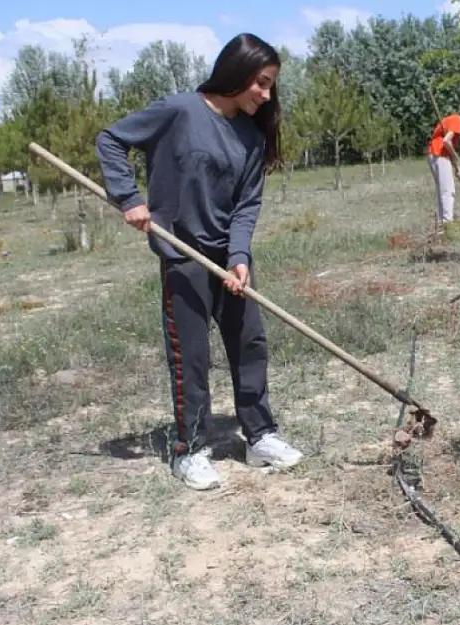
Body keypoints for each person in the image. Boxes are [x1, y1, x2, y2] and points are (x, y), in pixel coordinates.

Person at [95, 32, 304, 491]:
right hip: (182, 254)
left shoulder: (250, 137)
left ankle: (260, 435)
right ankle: (191, 449)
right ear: (238, 73)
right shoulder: (179, 112)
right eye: (262, 83)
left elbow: (247, 205)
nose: (267, 95)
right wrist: (129, 197)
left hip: (228, 261)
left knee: (250, 345)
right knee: (190, 358)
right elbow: (111, 140)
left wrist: (240, 256)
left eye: (270, 87)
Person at [426, 110, 460, 226]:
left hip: (435, 154)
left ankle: (441, 222)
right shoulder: (458, 120)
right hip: (439, 153)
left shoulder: (454, 122)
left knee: (443, 190)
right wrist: (455, 155)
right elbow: (446, 141)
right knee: (448, 191)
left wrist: (457, 168)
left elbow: (448, 146)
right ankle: (447, 223)